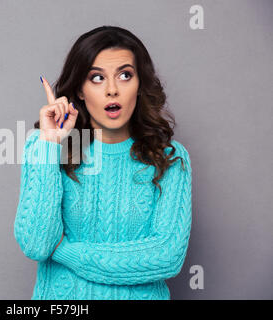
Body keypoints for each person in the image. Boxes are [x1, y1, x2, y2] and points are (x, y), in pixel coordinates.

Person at [14, 26, 192, 300]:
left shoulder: (169, 158)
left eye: (124, 75)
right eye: (97, 78)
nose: (112, 90)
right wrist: (49, 143)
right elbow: (36, 244)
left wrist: (65, 251)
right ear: (81, 90)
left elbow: (167, 257)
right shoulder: (48, 147)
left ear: (140, 84)